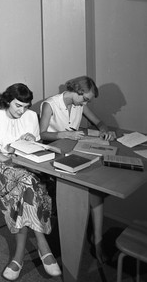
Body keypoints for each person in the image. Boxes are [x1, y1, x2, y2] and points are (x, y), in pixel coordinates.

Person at [0, 83, 61, 281]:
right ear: (8, 101)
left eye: (26, 106)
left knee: (26, 188)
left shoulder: (30, 116)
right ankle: (43, 245)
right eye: (18, 105)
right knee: (28, 182)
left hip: (26, 161)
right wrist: (12, 153)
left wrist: (30, 141)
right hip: (1, 163)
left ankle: (18, 257)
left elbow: (36, 146)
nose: (22, 110)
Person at [39, 76, 115, 263]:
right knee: (88, 186)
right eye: (85, 99)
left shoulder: (80, 103)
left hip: (74, 150)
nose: (86, 102)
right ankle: (80, 239)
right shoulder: (50, 104)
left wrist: (106, 129)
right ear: (76, 92)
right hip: (55, 153)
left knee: (95, 187)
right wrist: (64, 134)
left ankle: (97, 239)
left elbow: (99, 122)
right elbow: (41, 133)